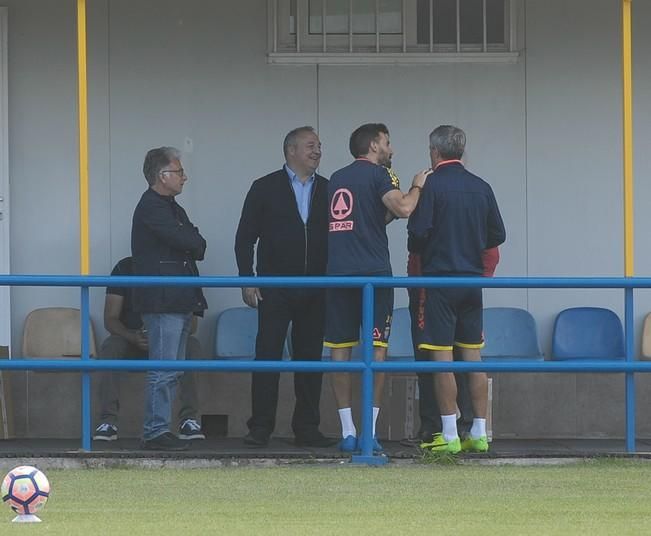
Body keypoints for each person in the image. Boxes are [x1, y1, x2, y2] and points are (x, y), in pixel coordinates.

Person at [324, 123, 432, 453]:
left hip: (338, 275)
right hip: (373, 275)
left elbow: (372, 218)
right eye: (387, 142)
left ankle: (347, 431)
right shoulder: (379, 175)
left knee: (339, 350)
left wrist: (390, 204)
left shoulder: (336, 178)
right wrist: (415, 187)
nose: (392, 149)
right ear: (373, 146)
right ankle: (368, 433)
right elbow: (404, 208)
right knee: (377, 350)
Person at [234, 126, 334, 448]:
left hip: (316, 287)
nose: (317, 151)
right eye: (310, 146)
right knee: (268, 356)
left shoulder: (330, 190)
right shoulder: (264, 188)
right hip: (274, 287)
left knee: (310, 359)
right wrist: (247, 279)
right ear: (291, 151)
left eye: (319, 146)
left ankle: (307, 428)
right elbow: (244, 238)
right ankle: (260, 427)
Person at [408, 125, 505, 454]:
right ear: (462, 150)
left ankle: (448, 434)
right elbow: (497, 235)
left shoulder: (432, 186)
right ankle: (479, 432)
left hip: (440, 280)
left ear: (435, 152)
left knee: (441, 358)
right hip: (471, 281)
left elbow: (417, 233)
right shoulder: (481, 186)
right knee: (473, 355)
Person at [131, 147, 207, 451]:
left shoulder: (171, 207)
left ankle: (160, 427)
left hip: (178, 297)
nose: (184, 177)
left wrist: (191, 239)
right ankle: (155, 430)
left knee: (173, 368)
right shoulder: (152, 207)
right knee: (163, 368)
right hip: (163, 300)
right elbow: (187, 239)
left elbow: (197, 242)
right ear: (163, 176)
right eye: (179, 172)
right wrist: (190, 239)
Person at [93, 256, 205, 442]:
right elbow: (110, 319)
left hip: (169, 341)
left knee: (193, 347)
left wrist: (163, 337)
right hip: (133, 340)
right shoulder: (125, 267)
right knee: (111, 347)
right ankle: (108, 422)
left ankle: (188, 419)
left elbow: (191, 325)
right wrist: (133, 336)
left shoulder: (184, 267)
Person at [406, 243, 499, 443]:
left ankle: (455, 430)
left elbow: (415, 237)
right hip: (439, 285)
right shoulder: (475, 210)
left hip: (437, 288)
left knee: (449, 359)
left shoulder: (432, 210)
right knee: (443, 359)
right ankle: (446, 430)